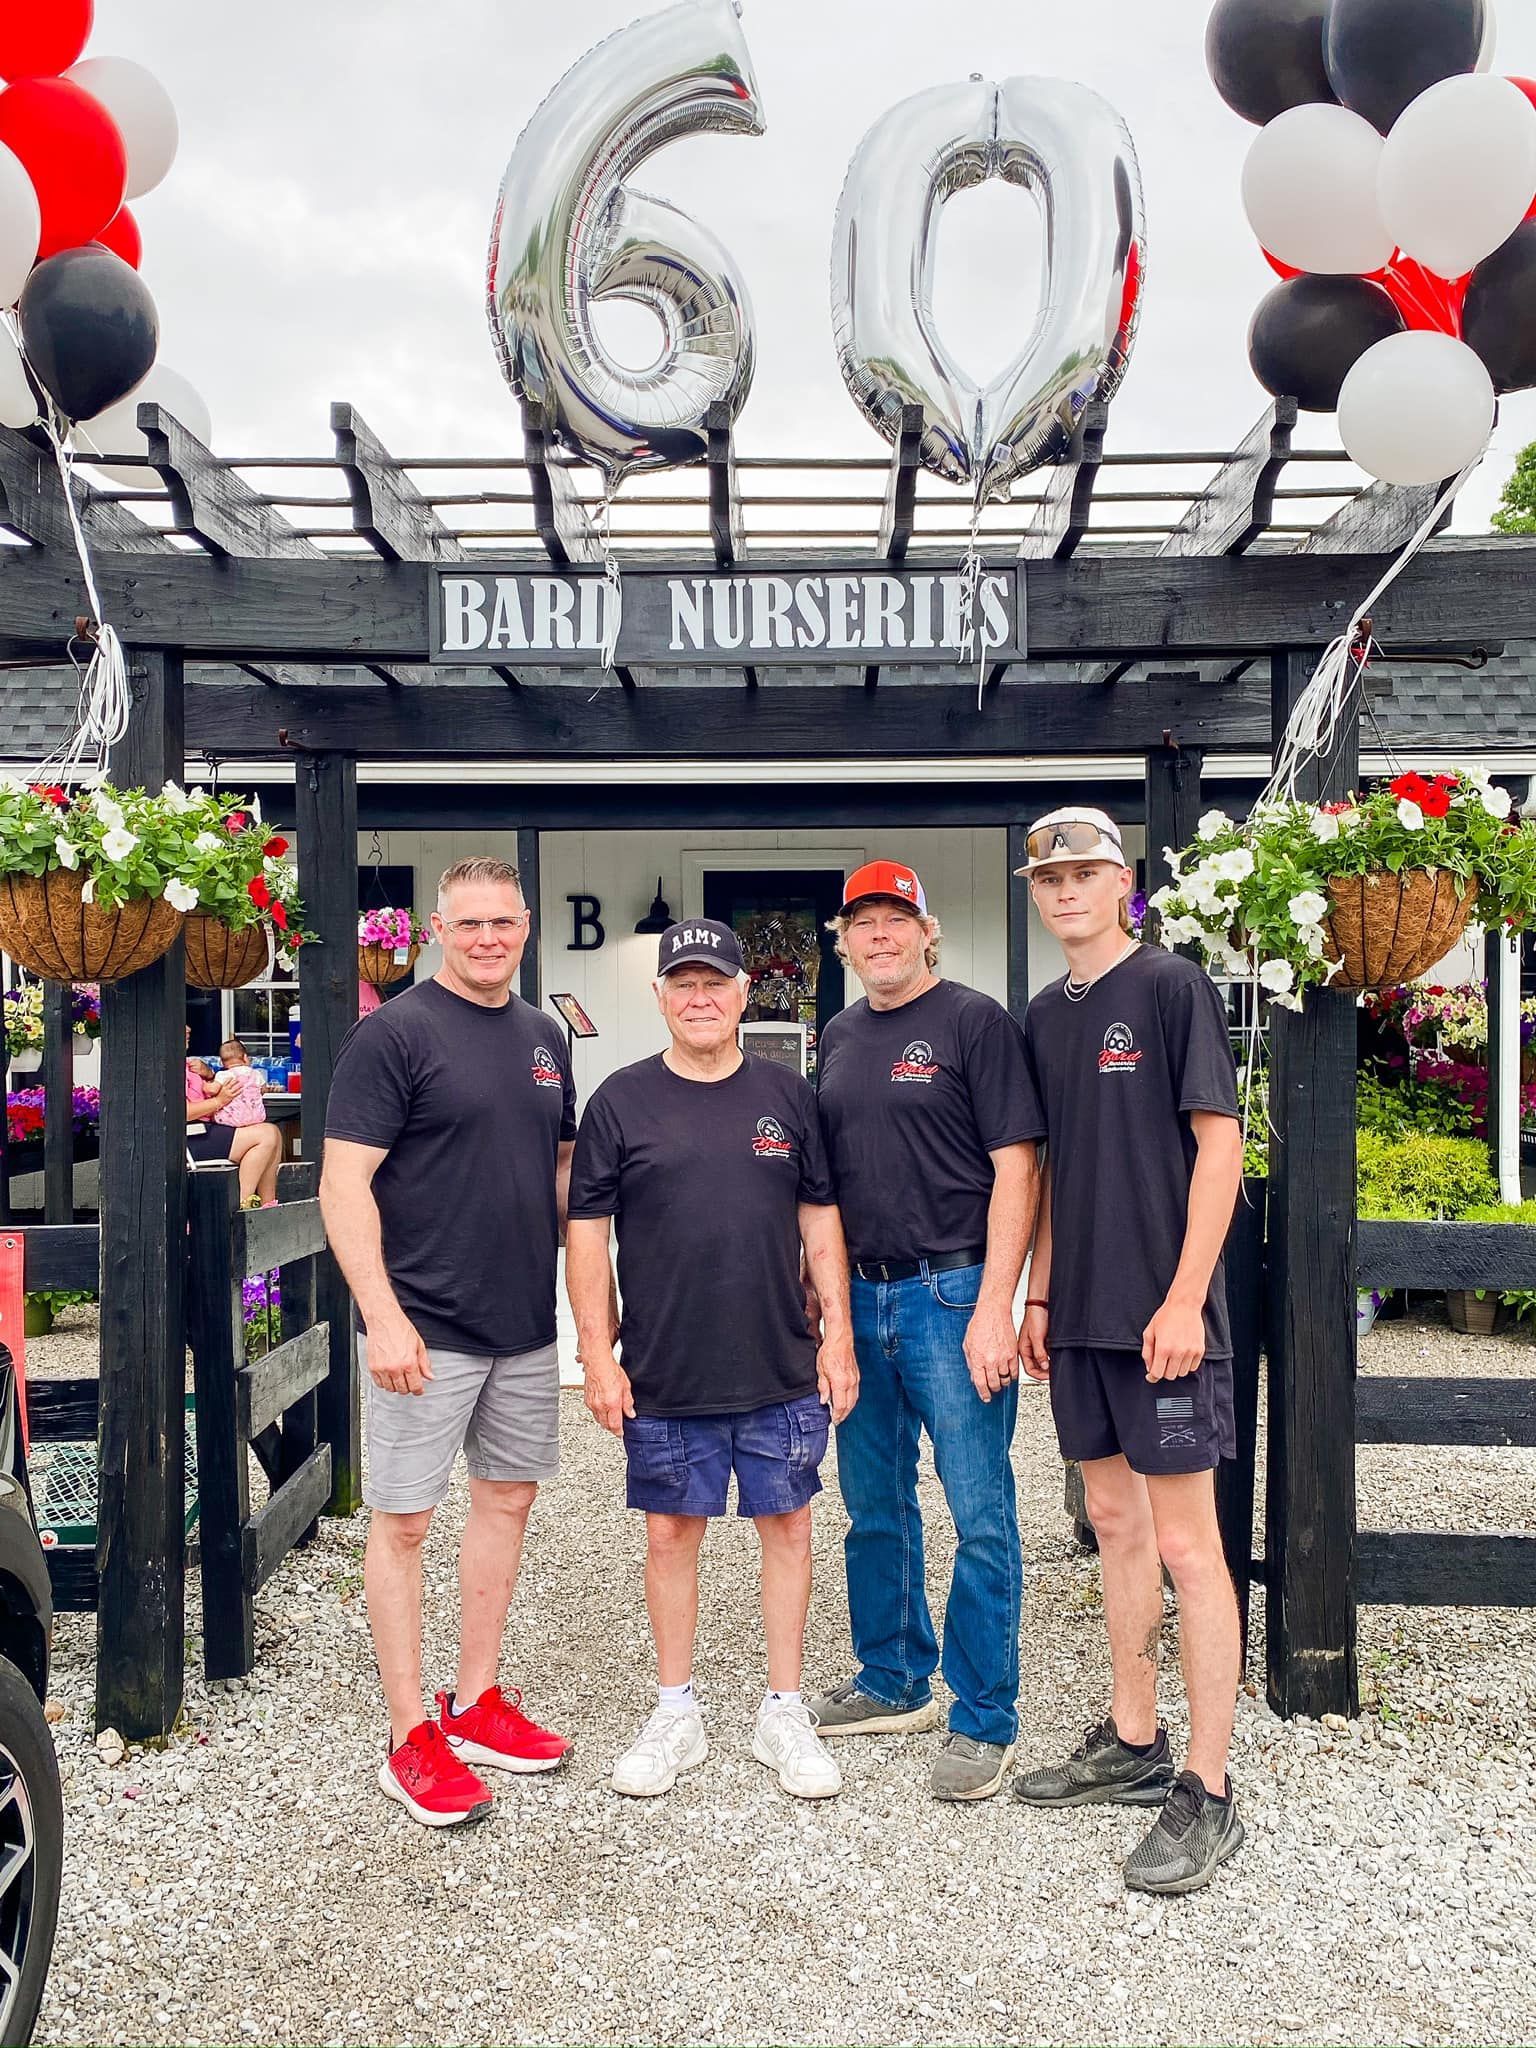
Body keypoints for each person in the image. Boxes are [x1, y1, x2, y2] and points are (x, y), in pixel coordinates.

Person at [566, 917, 857, 1802]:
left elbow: (819, 1219)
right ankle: (675, 1710)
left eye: (715, 983)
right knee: (670, 1533)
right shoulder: (618, 1101)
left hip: (779, 1358)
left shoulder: (788, 1095)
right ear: (659, 996)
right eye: (682, 983)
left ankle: (783, 1708)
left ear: (742, 995)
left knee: (791, 1526)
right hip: (664, 1361)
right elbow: (587, 1236)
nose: (700, 997)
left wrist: (837, 1333)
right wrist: (594, 1354)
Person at [1012, 806, 1246, 1896]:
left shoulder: (1169, 985)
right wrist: (1042, 1291)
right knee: (1114, 1523)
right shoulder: (1043, 1016)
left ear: (1123, 881)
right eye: (1048, 876)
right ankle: (1135, 1737)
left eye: (1085, 872)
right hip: (1088, 1317)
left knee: (1192, 1547)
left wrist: (1189, 1295)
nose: (1066, 890)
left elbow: (1220, 1142)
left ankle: (1209, 1784)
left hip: (1165, 1317)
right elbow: (1054, 1168)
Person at [320, 857, 575, 1829]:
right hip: (422, 1326)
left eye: (502, 922)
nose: (486, 938)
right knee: (406, 1522)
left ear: (524, 923)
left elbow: (559, 1171)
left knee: (506, 1501)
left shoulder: (545, 1037)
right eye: (467, 924)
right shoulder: (394, 1036)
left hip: (521, 1321)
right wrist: (380, 1312)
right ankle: (406, 1735)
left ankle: (472, 1703)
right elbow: (345, 1185)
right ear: (435, 928)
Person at [806, 861, 1042, 1802]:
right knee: (872, 1500)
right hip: (861, 1298)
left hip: (955, 1293)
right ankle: (893, 1677)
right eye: (862, 923)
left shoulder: (974, 1022)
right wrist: (824, 1306)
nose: (879, 936)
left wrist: (999, 1303)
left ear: (926, 929)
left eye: (895, 919)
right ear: (844, 938)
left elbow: (1018, 1168)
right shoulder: (840, 1034)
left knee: (980, 1510)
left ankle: (984, 1716)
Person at [184, 1027, 280, 1206]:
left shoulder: (188, 1065)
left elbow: (208, 1089)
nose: (189, 1029)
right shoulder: (168, 1068)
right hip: (191, 1136)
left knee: (274, 1134)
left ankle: (268, 1206)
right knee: (266, 1135)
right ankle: (241, 1204)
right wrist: (220, 1101)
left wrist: (209, 1074)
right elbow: (182, 1112)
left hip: (207, 1129)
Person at [212, 1038, 268, 1127]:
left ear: (222, 1062)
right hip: (255, 1118)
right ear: (245, 1057)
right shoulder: (256, 1074)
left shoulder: (223, 1075)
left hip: (231, 1119)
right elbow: (264, 1089)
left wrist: (205, 1085)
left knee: (213, 1117)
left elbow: (213, 1090)